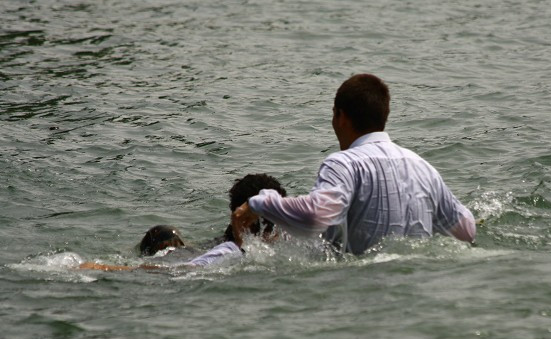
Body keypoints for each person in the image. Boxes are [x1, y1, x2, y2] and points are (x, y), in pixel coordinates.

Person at [231, 73, 476, 255]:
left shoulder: (343, 164)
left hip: (362, 289)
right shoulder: (423, 167)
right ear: (384, 115)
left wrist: (259, 204)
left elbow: (316, 218)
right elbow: (466, 231)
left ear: (340, 117)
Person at [78, 174, 287, 271]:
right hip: (175, 261)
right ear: (249, 221)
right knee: (164, 236)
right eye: (276, 220)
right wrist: (100, 267)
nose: (280, 228)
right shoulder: (224, 253)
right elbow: (167, 270)